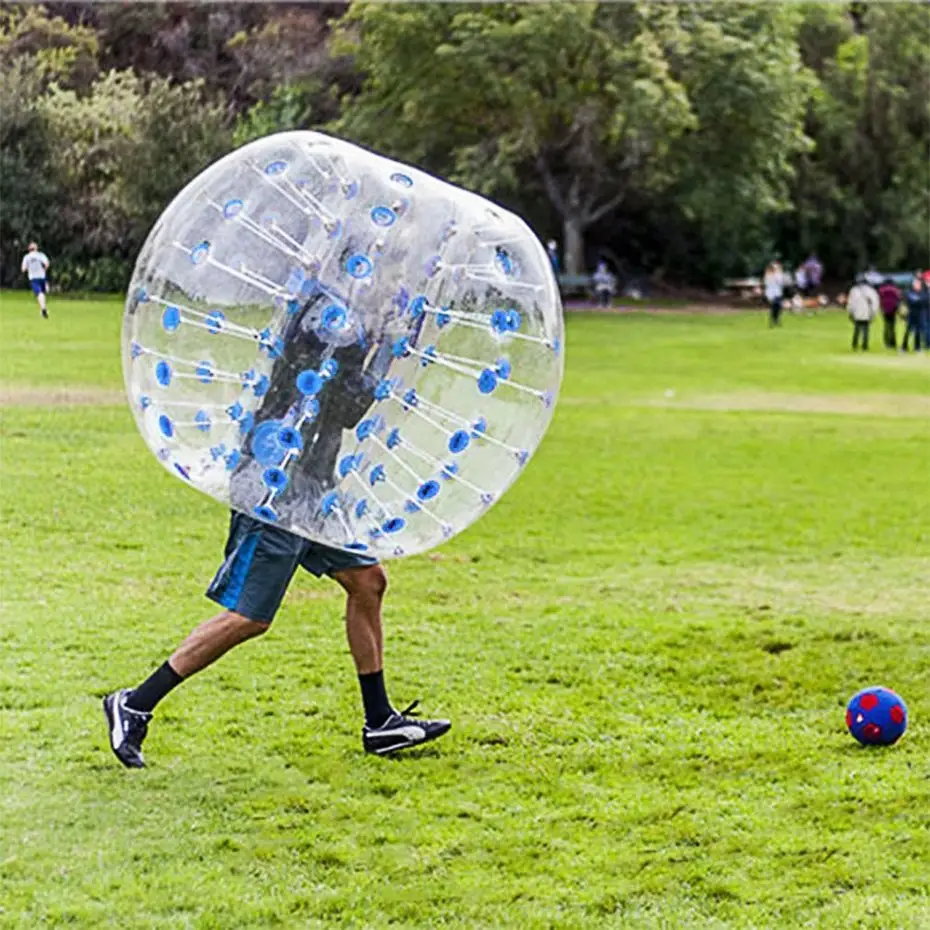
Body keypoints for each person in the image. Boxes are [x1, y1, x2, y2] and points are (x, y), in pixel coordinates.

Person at [103, 290, 452, 769]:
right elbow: (346, 400)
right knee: (250, 617)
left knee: (368, 581)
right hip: (275, 481)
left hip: (312, 483)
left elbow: (345, 410)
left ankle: (380, 723)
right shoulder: (325, 313)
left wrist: (386, 337)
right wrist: (390, 344)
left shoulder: (351, 307)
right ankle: (134, 704)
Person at [847, 274, 879, 351]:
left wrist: (850, 312)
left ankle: (855, 344)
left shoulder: (853, 290)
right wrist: (874, 313)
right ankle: (865, 346)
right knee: (866, 330)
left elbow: (851, 303)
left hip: (857, 313)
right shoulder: (871, 291)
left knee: (857, 329)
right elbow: (875, 303)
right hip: (867, 313)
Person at [21, 242, 50, 318]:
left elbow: (23, 269)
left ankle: (43, 308)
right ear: (36, 248)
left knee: (39, 293)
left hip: (33, 278)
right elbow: (47, 264)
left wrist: (29, 268)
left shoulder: (27, 257)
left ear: (29, 249)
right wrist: (43, 270)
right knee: (42, 293)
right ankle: (43, 309)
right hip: (42, 277)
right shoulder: (40, 255)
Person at [903, 275, 930, 352]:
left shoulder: (923, 293)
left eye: (917, 284)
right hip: (911, 314)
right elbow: (909, 300)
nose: (916, 285)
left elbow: (925, 301)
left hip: (920, 314)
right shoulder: (910, 292)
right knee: (908, 331)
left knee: (918, 331)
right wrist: (917, 301)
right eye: (915, 284)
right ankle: (904, 347)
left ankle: (917, 347)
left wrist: (917, 300)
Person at [877, 277, 902, 350]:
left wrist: (881, 308)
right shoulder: (895, 290)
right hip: (893, 309)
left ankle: (886, 343)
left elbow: (880, 299)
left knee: (886, 326)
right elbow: (899, 299)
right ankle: (893, 343)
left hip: (885, 309)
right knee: (892, 327)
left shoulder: (881, 290)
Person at [763, 261, 786, 326]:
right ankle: (773, 320)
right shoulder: (768, 275)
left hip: (777, 292)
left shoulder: (777, 275)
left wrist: (779, 274)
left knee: (778, 307)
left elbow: (781, 283)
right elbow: (767, 283)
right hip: (771, 293)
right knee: (774, 307)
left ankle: (776, 320)